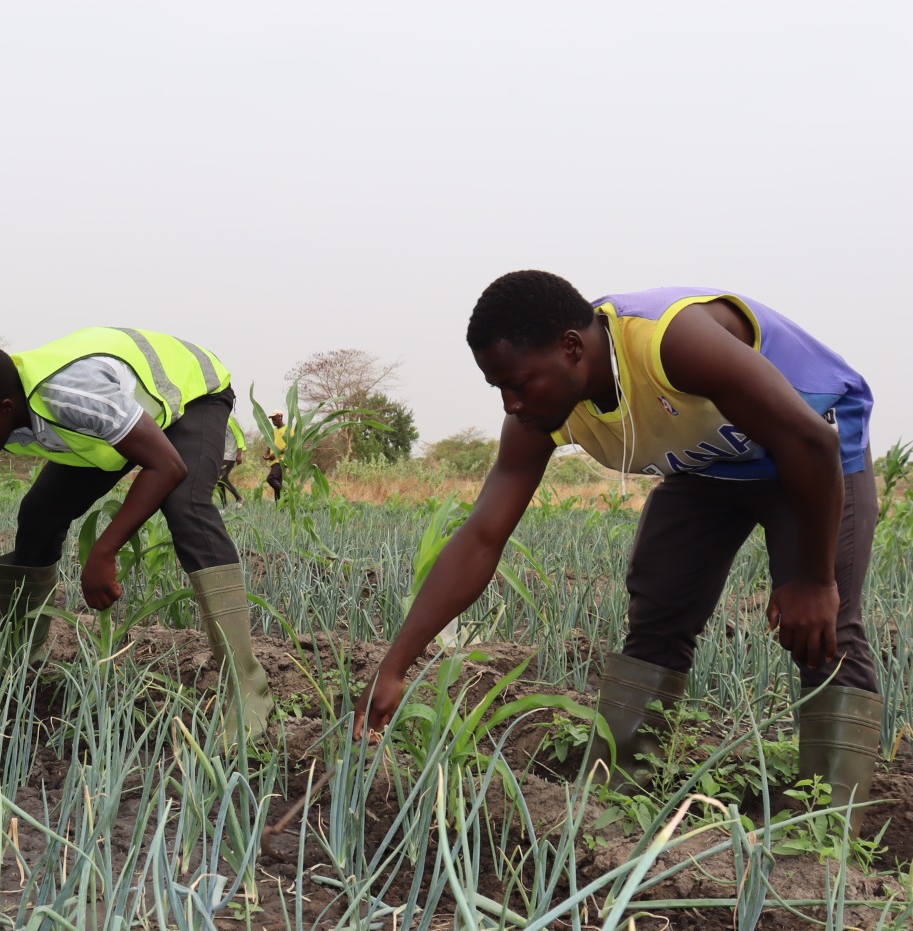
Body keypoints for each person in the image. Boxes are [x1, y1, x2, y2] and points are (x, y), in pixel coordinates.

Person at [356, 270, 879, 831]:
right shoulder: (540, 414)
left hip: (808, 451)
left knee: (825, 631)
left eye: (519, 382)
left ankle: (829, 829)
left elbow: (809, 440)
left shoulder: (670, 343)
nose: (510, 403)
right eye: (498, 388)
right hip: (706, 464)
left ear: (572, 348)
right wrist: (393, 666)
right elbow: (483, 535)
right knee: (659, 609)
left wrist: (815, 579)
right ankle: (618, 796)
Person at [0, 328, 275, 738]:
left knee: (187, 508)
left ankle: (247, 689)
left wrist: (103, 552)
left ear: (6, 408)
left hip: (190, 395)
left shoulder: (72, 396)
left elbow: (167, 466)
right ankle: (21, 656)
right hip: (118, 427)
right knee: (39, 514)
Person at [215, 417, 245, 505]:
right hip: (222, 455)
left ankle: (239, 498)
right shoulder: (220, 420)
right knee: (219, 479)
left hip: (231, 455)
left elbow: (239, 437)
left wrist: (239, 454)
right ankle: (224, 504)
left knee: (222, 477)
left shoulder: (231, 419)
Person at [263, 410, 289, 501]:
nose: (273, 420)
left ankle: (285, 495)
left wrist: (276, 454)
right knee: (277, 483)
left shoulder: (288, 429)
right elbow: (270, 443)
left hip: (282, 460)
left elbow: (289, 446)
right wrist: (267, 453)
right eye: (272, 419)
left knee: (271, 478)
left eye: (274, 418)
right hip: (274, 461)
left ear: (280, 417)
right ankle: (280, 507)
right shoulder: (273, 431)